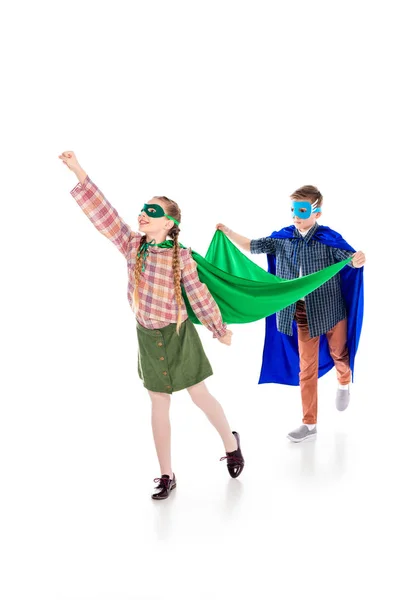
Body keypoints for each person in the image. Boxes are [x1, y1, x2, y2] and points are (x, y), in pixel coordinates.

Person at [59, 150, 245, 499]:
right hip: (146, 336)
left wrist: (219, 330)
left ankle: (230, 443)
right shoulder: (133, 246)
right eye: (144, 209)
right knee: (158, 403)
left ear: (170, 224)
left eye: (153, 211)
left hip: (178, 336)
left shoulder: (182, 256)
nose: (144, 214)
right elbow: (106, 217)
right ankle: (166, 474)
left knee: (200, 396)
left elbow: (199, 295)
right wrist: (79, 173)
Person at [217, 185, 365, 442]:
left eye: (302, 210)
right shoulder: (282, 239)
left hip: (330, 310)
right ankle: (309, 424)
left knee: (339, 353)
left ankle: (344, 379)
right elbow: (252, 245)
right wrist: (228, 233)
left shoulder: (327, 240)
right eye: (293, 210)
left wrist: (357, 259)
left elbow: (349, 259)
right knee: (306, 368)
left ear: (316, 213)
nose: (296, 216)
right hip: (302, 314)